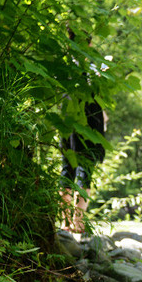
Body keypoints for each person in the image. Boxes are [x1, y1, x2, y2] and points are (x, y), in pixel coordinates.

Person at [60, 29, 107, 234]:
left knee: (67, 167)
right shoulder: (95, 63)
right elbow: (101, 93)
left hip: (67, 118)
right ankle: (78, 223)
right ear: (89, 43)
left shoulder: (63, 63)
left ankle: (65, 222)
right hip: (90, 120)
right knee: (85, 167)